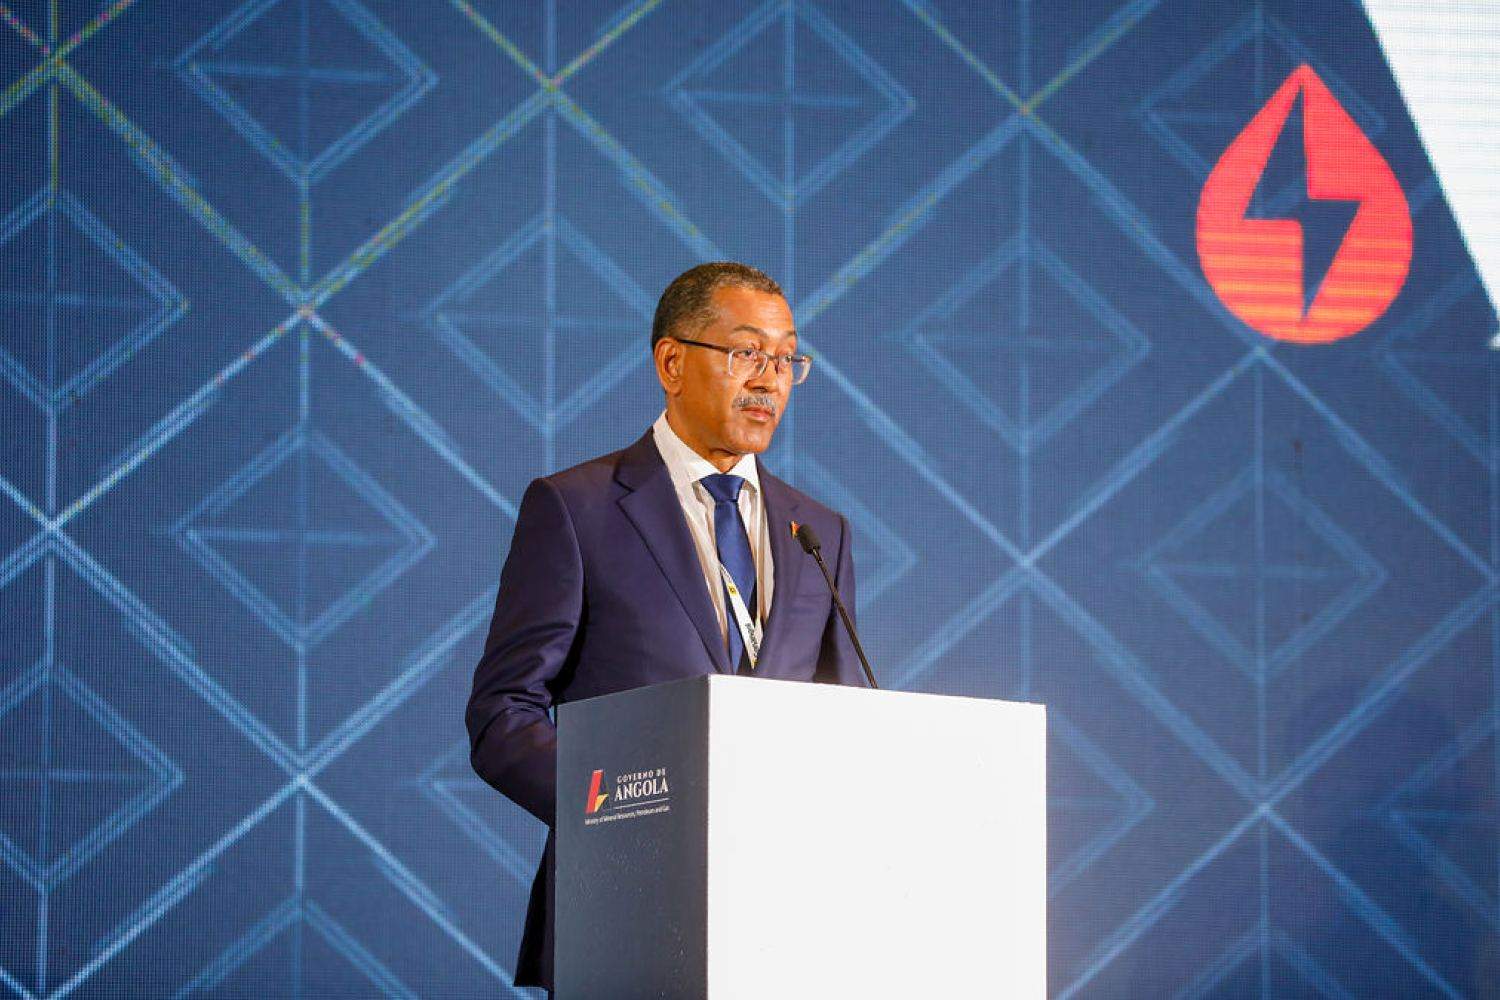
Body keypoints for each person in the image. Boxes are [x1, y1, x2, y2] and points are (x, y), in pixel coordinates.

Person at [464, 261, 869, 993]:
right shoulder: (577, 508)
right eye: (747, 353)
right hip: (623, 914)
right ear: (672, 363)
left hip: (782, 924)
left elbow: (840, 723)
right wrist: (628, 812)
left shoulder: (819, 531)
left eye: (786, 360)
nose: (770, 380)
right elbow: (504, 714)